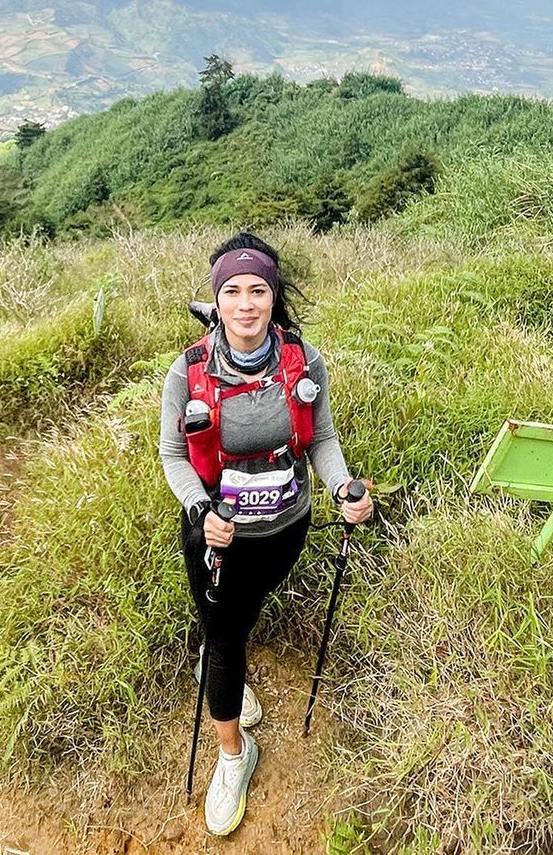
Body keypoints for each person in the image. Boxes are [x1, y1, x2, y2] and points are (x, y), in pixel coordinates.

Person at [159, 231, 373, 836]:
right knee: (225, 636)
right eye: (233, 291)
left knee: (245, 610)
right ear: (217, 299)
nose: (246, 303)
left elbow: (321, 439)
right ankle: (233, 755)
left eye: (259, 290)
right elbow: (174, 453)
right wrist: (202, 510)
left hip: (286, 525)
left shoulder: (303, 360)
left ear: (274, 298)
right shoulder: (189, 370)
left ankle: (220, 646)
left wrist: (341, 488)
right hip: (218, 535)